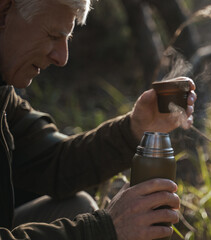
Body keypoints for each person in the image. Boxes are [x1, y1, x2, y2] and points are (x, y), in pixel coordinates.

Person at [0, 0, 197, 239]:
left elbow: (53, 162)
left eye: (67, 39)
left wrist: (134, 128)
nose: (62, 58)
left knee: (76, 207)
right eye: (52, 35)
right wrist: (103, 230)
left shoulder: (3, 94)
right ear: (3, 11)